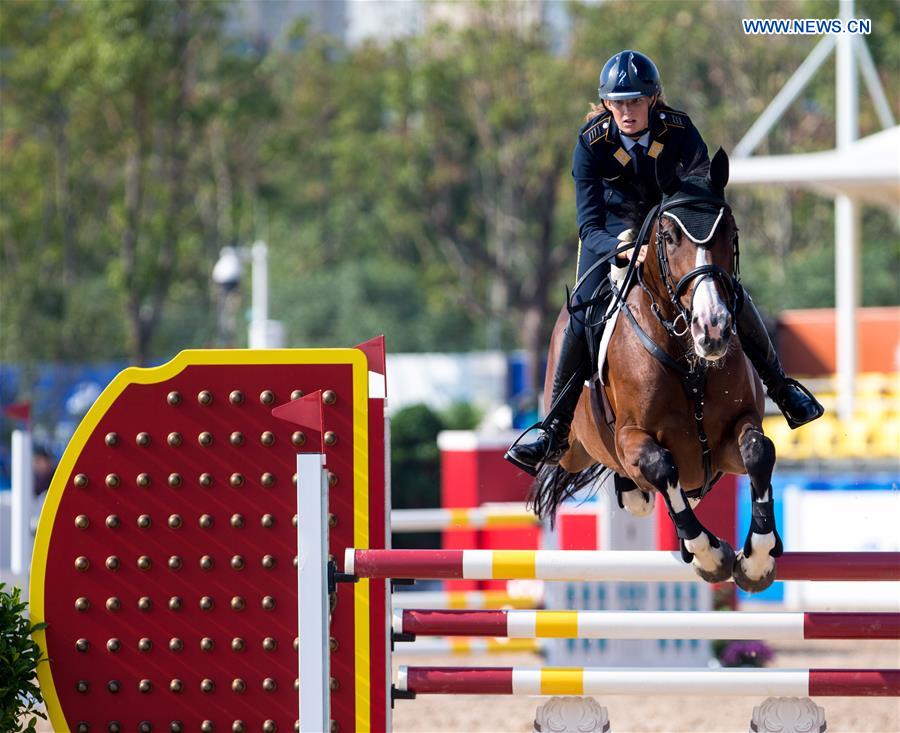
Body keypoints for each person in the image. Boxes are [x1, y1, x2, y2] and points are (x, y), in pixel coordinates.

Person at [505, 49, 823, 475]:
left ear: (653, 100)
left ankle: (782, 389)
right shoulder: (591, 144)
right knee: (580, 311)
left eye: (635, 101)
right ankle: (555, 427)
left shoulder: (680, 130)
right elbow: (588, 224)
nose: (626, 111)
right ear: (606, 105)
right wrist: (622, 248)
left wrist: (679, 240)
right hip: (614, 237)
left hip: (674, 234)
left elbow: (701, 195)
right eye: (618, 103)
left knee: (729, 293)